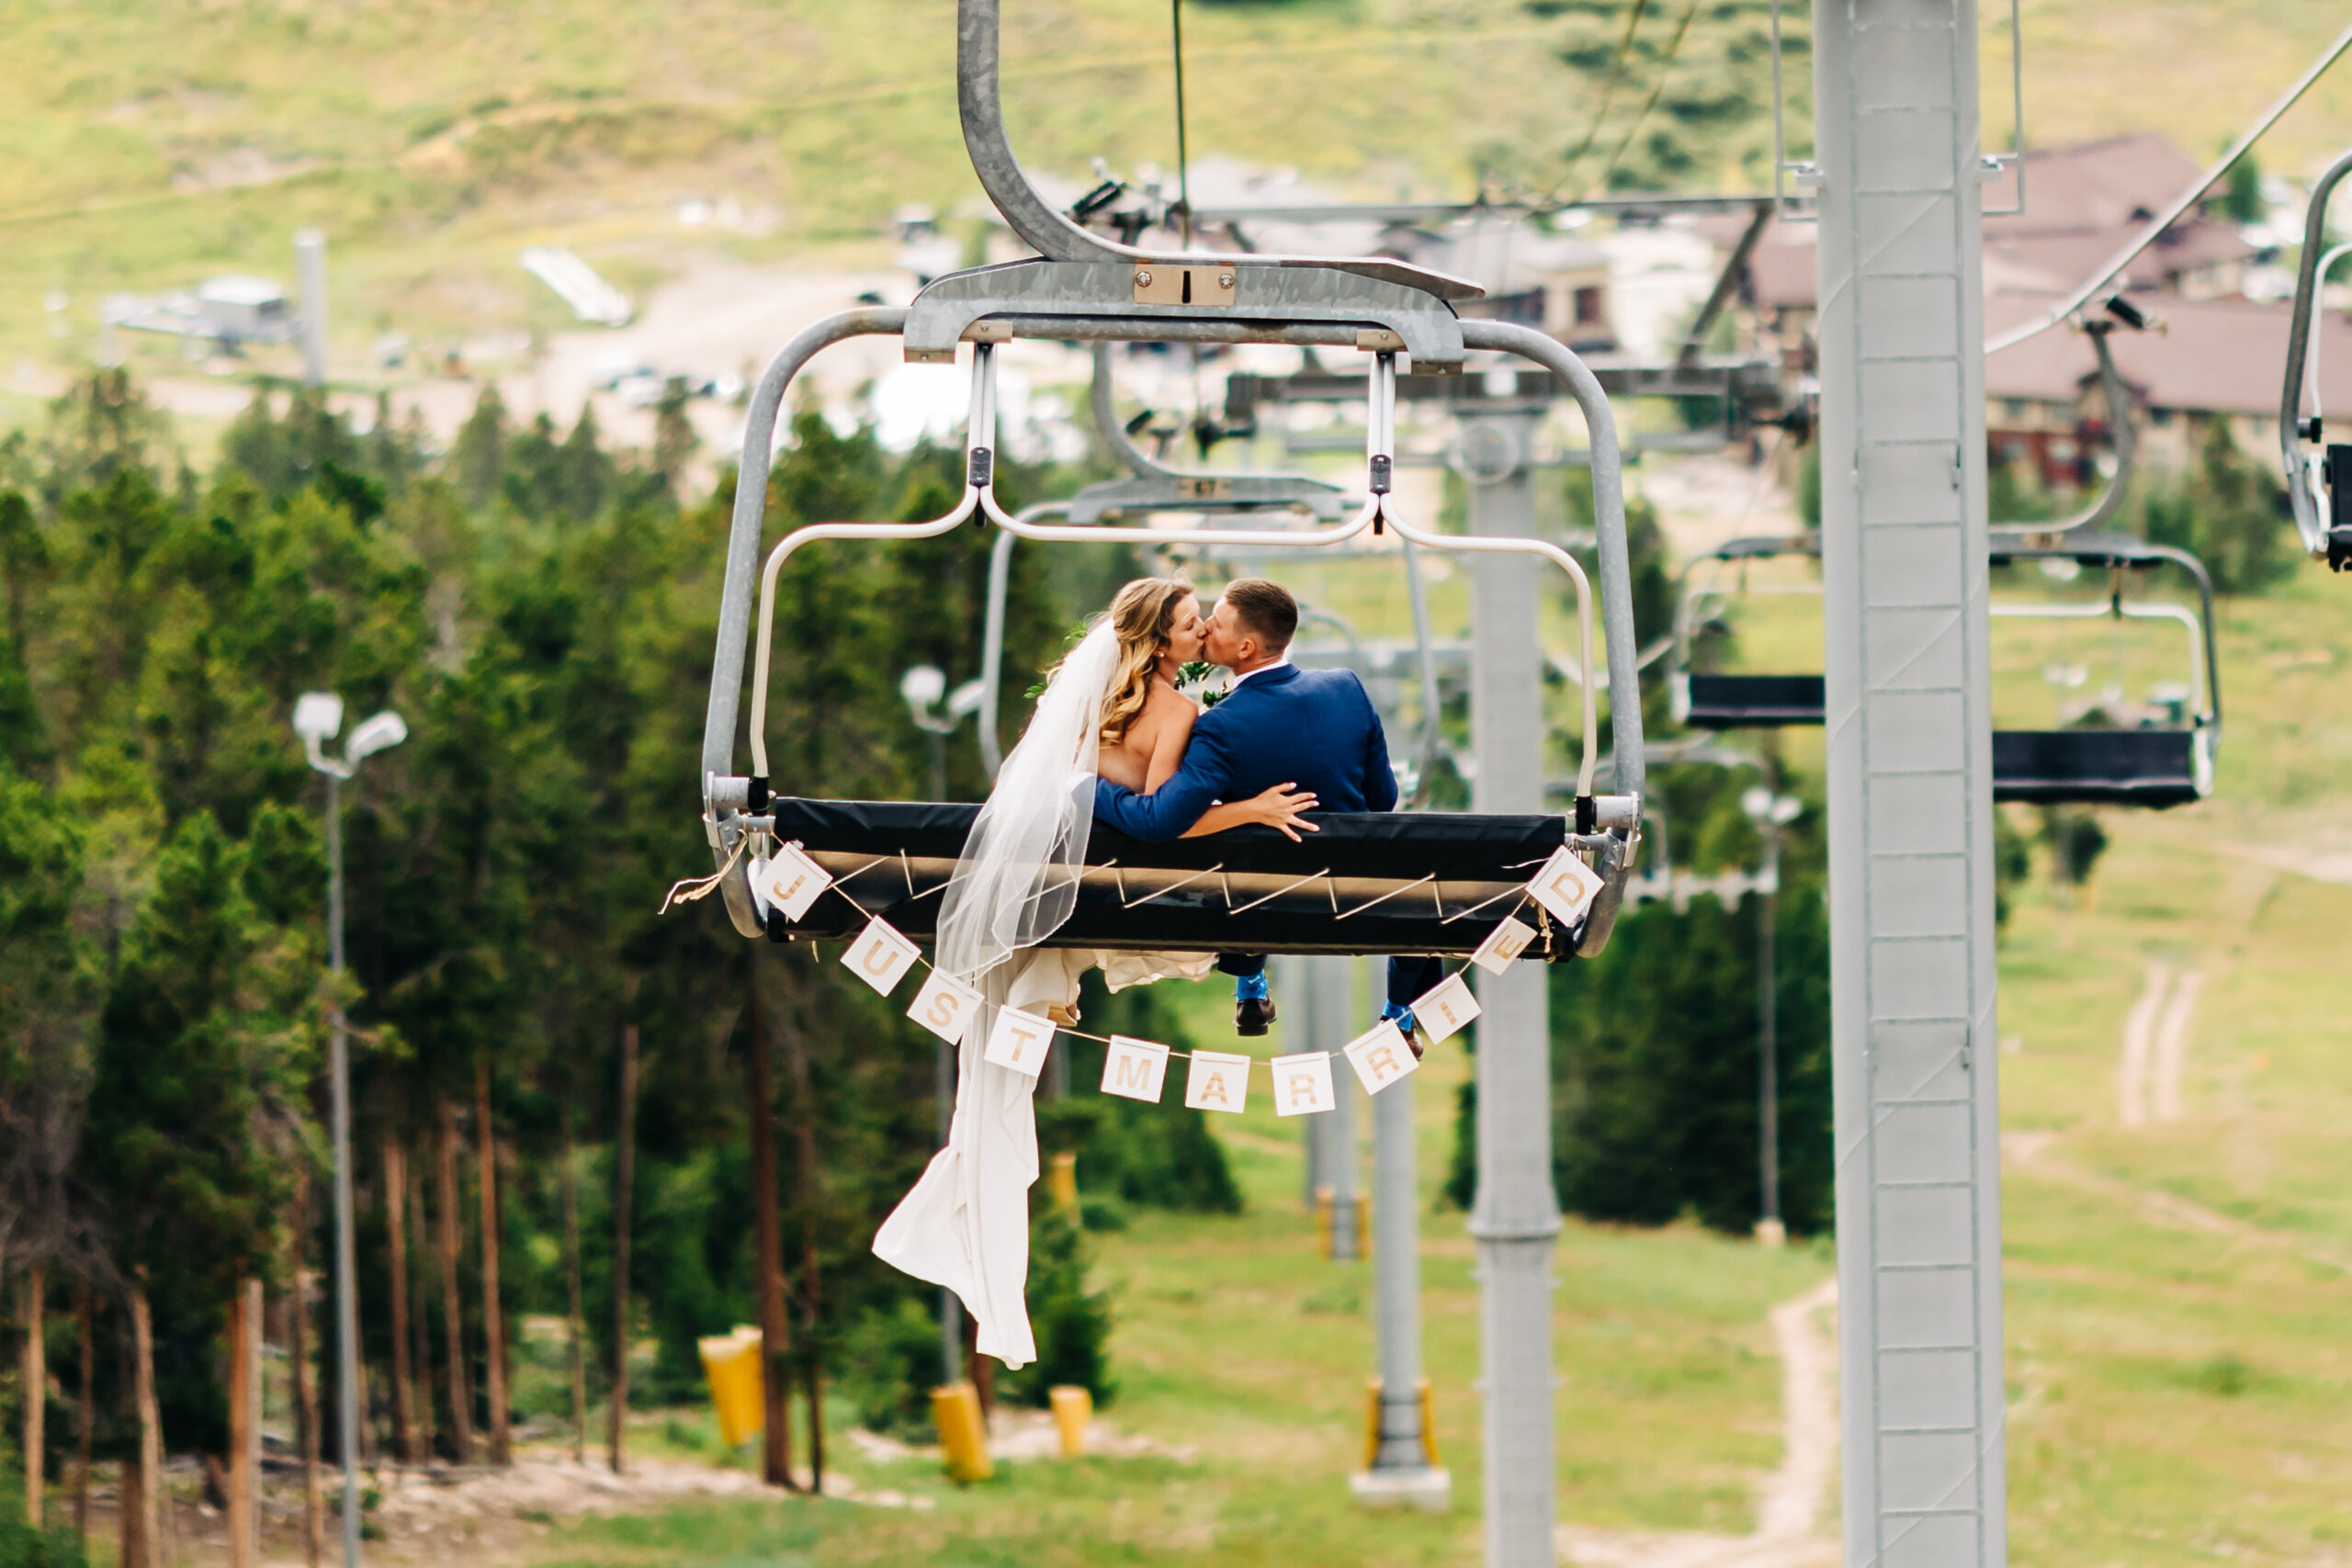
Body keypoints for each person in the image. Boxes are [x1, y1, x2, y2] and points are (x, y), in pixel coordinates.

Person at [873, 577, 1314, 1370]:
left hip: (1042, 902)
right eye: (1191, 623)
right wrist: (1249, 810)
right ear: (1163, 641)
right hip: (1100, 909)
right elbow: (1160, 817)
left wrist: (1076, 789)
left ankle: (968, 1214)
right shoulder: (1177, 713)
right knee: (1007, 1072)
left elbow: (1084, 796)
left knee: (994, 1068)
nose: (1204, 630)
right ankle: (970, 1226)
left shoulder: (1084, 705)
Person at [1091, 577, 1445, 1040]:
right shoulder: (1346, 688)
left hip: (1267, 903)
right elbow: (1383, 800)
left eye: (1213, 624)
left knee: (1236, 848)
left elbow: (1163, 819)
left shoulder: (1220, 728)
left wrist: (1085, 787)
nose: (1204, 631)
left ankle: (1251, 982)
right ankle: (1398, 1012)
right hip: (1364, 895)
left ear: (1245, 647)